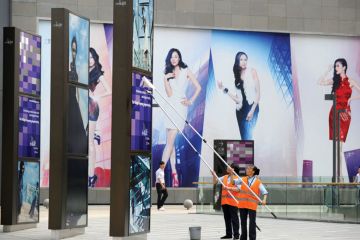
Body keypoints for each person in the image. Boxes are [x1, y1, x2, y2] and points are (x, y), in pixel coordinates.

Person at [161, 48, 201, 187]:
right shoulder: (168, 73)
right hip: (169, 106)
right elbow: (169, 94)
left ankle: (160, 172)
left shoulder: (186, 70)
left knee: (169, 144)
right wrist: (165, 79)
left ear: (179, 58)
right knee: (169, 143)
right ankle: (174, 173)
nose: (173, 59)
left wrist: (191, 101)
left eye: (176, 56)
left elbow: (198, 87)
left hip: (180, 107)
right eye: (171, 57)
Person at [318, 59, 360, 176]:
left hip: (345, 113)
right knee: (337, 146)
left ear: (344, 67)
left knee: (340, 145)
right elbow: (319, 82)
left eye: (337, 66)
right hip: (334, 113)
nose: (336, 68)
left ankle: (339, 175)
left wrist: (352, 99)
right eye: (335, 66)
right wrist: (327, 69)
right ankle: (339, 175)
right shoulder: (335, 81)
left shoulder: (350, 81)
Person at [218, 52, 260, 140]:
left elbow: (258, 93)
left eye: (245, 59)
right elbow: (237, 100)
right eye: (241, 59)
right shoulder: (237, 78)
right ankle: (246, 153)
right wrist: (223, 88)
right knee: (244, 139)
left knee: (249, 136)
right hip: (240, 112)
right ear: (237, 61)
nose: (244, 62)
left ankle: (249, 153)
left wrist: (252, 111)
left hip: (252, 107)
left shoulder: (252, 71)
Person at [88, 47, 112, 187]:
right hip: (80, 105)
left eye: (92, 57)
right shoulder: (80, 69)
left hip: (91, 107)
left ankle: (91, 177)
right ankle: (95, 133)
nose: (90, 60)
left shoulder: (97, 72)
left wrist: (95, 96)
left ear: (95, 58)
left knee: (89, 143)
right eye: (87, 57)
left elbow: (109, 90)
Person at [226, 165, 268, 240]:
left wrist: (264, 200)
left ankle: (252, 238)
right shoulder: (243, 179)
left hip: (252, 205)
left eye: (249, 169)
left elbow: (264, 192)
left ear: (253, 171)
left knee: (252, 223)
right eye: (247, 168)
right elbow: (233, 182)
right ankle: (243, 238)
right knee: (243, 222)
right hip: (242, 204)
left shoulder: (258, 181)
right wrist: (232, 174)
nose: (247, 170)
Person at [212, 163, 241, 239]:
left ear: (233, 169)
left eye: (229, 166)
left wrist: (230, 188)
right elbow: (215, 182)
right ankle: (228, 234)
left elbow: (238, 189)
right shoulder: (225, 177)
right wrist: (214, 175)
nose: (227, 167)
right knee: (227, 218)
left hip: (233, 202)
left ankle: (236, 235)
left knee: (234, 219)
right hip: (225, 201)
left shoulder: (238, 178)